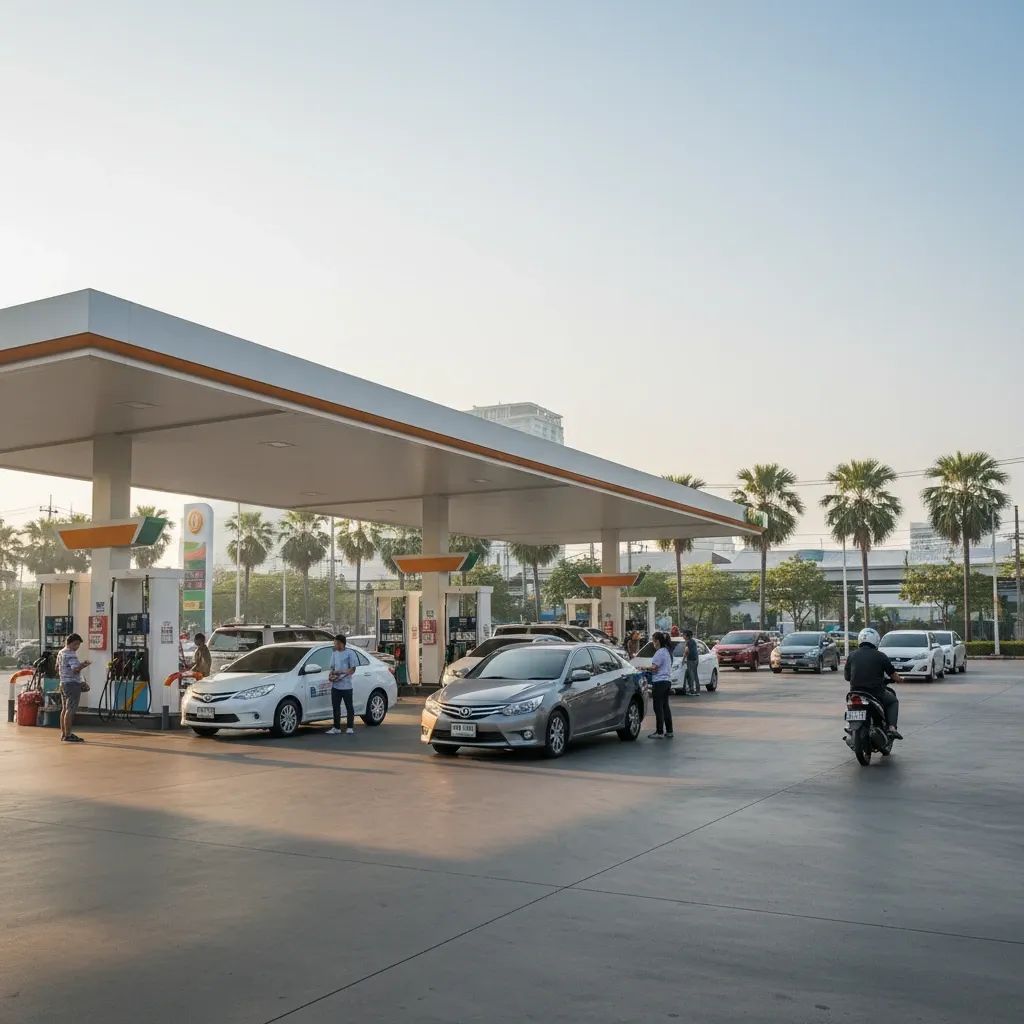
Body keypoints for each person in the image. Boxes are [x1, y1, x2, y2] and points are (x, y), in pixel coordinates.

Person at [844, 627, 902, 738]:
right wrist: (900, 680)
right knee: (893, 701)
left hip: (855, 693)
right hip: (875, 693)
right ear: (876, 640)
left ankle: (849, 726)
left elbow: (847, 677)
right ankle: (891, 728)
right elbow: (893, 674)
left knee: (849, 705)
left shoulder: (852, 655)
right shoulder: (881, 656)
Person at [56, 633, 90, 743]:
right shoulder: (71, 654)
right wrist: (84, 664)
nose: (77, 647)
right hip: (72, 685)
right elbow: (76, 669)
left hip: (63, 683)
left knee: (64, 709)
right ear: (72, 643)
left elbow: (56, 667)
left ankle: (63, 733)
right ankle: (68, 735)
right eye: (77, 644)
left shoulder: (61, 652)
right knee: (70, 710)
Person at [327, 633, 359, 735]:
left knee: (349, 707)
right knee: (336, 707)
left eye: (336, 643)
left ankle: (350, 727)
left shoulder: (350, 653)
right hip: (335, 686)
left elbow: (352, 669)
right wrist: (331, 675)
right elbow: (332, 668)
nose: (335, 645)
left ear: (341, 643)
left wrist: (341, 674)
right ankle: (336, 727)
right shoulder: (334, 654)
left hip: (346, 686)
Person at [647, 631, 674, 739]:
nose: (653, 643)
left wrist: (643, 668)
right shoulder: (666, 651)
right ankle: (669, 731)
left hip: (659, 682)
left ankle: (659, 732)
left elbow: (654, 668)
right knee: (665, 707)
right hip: (667, 682)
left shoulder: (659, 653)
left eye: (653, 640)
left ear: (657, 641)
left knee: (658, 707)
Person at [682, 629, 700, 695]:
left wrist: (683, 660)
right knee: (695, 675)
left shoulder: (688, 642)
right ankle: (698, 691)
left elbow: (686, 652)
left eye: (683, 635)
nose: (683, 636)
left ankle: (692, 690)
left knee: (691, 675)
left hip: (691, 660)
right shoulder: (693, 641)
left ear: (687, 636)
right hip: (696, 659)